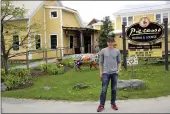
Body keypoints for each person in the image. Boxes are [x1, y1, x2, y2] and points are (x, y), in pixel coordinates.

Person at [97, 37, 121, 112]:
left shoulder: (117, 51)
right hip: (106, 73)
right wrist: (101, 72)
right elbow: (100, 63)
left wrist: (118, 70)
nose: (110, 43)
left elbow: (119, 62)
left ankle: (113, 104)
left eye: (112, 42)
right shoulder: (103, 51)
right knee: (104, 89)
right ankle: (101, 105)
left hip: (114, 73)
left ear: (114, 42)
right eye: (109, 42)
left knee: (114, 89)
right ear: (107, 43)